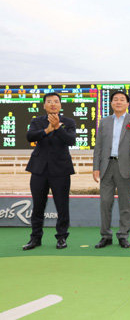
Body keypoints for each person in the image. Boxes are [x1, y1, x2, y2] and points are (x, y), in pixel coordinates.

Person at [23, 92, 76, 250]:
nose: (53, 104)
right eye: (49, 101)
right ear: (44, 105)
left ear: (60, 105)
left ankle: (61, 238)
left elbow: (71, 140)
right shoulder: (37, 121)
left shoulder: (68, 122)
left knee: (62, 206)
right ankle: (35, 238)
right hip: (39, 169)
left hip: (61, 169)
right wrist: (46, 130)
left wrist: (58, 127)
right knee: (38, 205)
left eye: (56, 101)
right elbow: (30, 136)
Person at [93, 91, 130, 249]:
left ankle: (123, 235)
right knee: (105, 202)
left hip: (126, 167)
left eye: (122, 100)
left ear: (128, 103)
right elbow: (98, 146)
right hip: (107, 167)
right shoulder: (104, 122)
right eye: (115, 100)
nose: (118, 102)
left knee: (125, 203)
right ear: (111, 103)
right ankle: (105, 236)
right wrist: (95, 167)